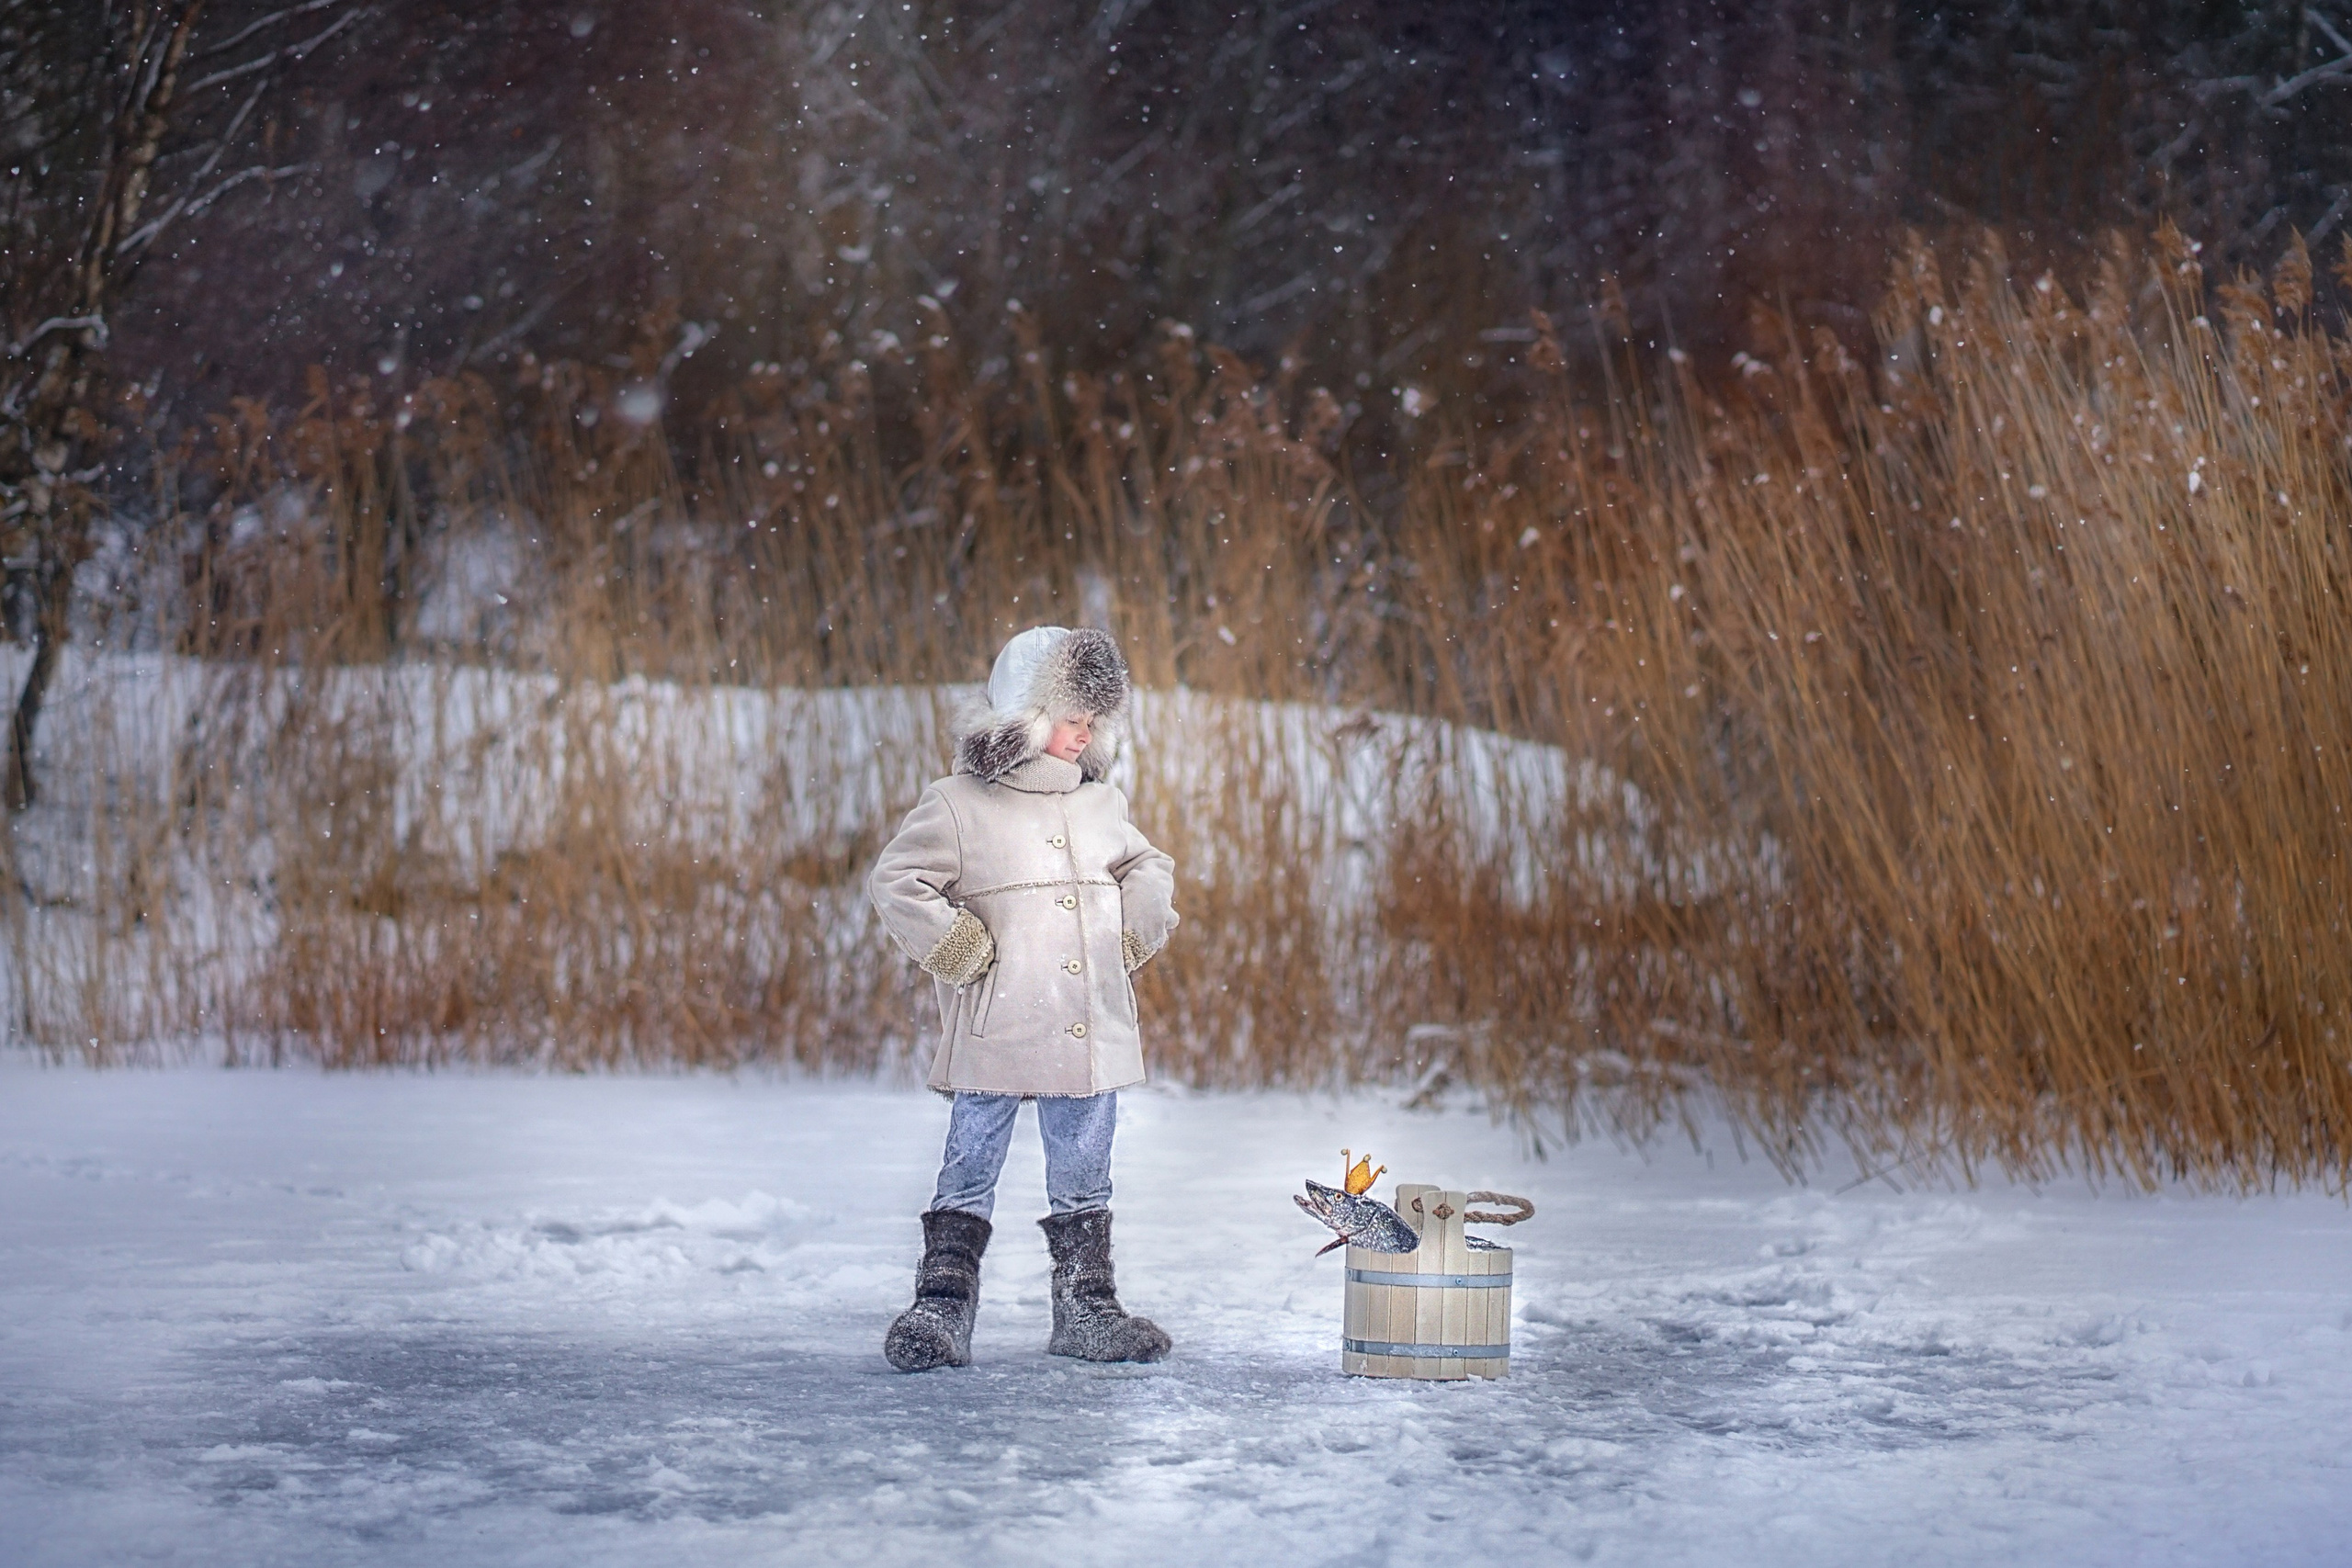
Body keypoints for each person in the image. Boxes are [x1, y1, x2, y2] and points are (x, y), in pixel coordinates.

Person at [867, 626, 1180, 1371]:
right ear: (1026, 715)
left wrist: (1136, 929)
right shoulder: (958, 803)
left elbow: (1148, 864)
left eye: (1095, 718)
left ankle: (1087, 1306)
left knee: (1084, 1167)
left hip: (1090, 1028)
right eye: (1074, 714)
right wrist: (958, 947)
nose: (1087, 732)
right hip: (998, 1023)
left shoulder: (1100, 802)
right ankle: (942, 1306)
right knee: (970, 1161)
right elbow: (897, 881)